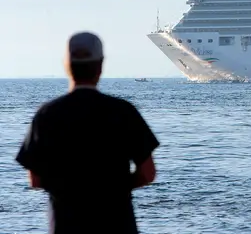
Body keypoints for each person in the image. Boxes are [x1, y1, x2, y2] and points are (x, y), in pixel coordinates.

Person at [15, 31, 160, 234]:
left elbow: (35, 179)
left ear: (67, 65)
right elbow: (148, 173)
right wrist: (116, 188)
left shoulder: (47, 115)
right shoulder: (123, 111)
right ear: (100, 66)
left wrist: (68, 189)